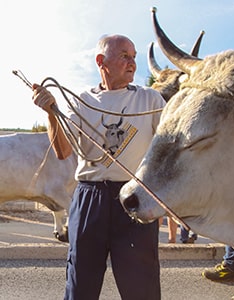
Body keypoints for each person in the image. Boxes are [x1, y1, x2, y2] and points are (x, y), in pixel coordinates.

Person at [32, 34, 165, 300]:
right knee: (81, 283)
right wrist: (51, 113)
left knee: (142, 286)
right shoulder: (82, 101)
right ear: (101, 61)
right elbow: (63, 150)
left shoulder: (150, 100)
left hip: (134, 197)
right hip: (90, 198)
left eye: (134, 57)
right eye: (124, 56)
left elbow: (169, 147)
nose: (132, 63)